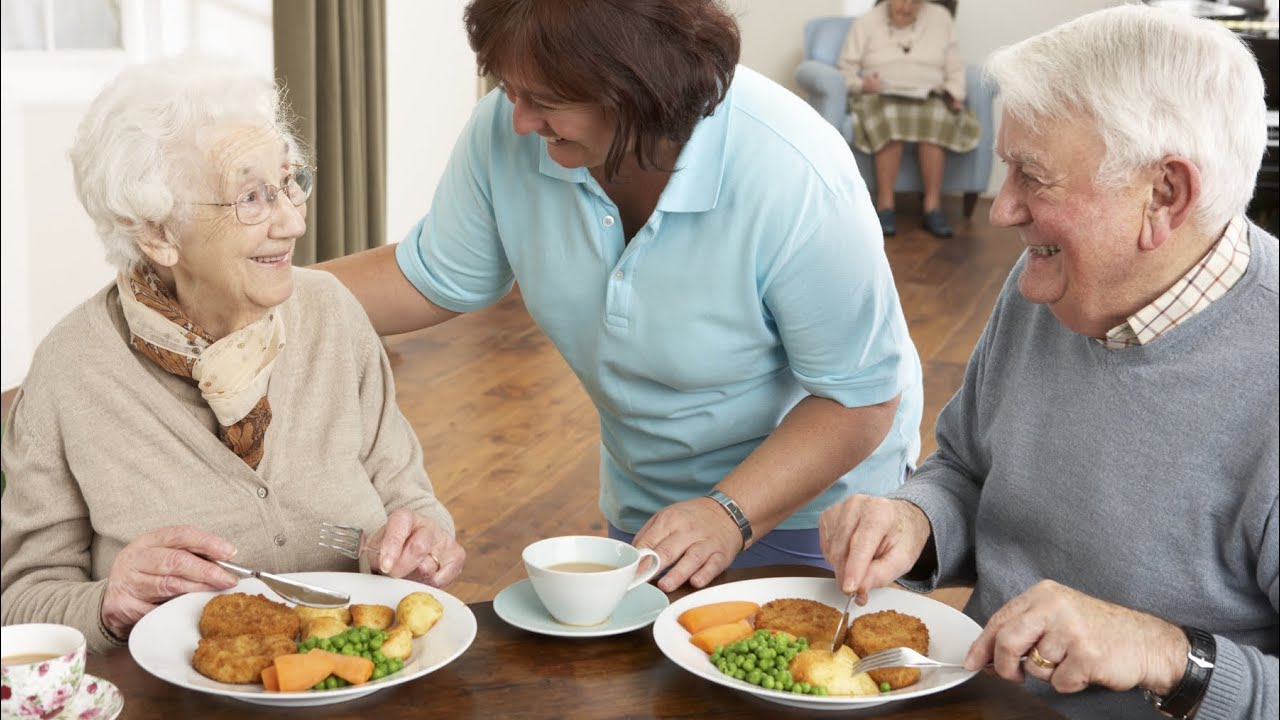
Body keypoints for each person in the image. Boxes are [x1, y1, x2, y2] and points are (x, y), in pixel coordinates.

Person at [320, 0, 923, 594]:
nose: (520, 121)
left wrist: (728, 513)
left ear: (638, 90)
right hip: (653, 501)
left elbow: (860, 398)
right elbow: (430, 276)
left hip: (817, 507)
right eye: (508, 89)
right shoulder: (510, 134)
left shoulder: (793, 171)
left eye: (547, 102)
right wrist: (260, 291)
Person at [819, 6, 1277, 719]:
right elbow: (967, 466)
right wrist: (917, 521)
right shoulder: (1052, 280)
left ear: (1164, 194)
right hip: (976, 696)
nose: (1002, 210)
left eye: (1032, 177)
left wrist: (1165, 654)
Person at [0, 57, 464, 654]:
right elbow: (20, 602)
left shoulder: (331, 313)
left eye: (291, 182)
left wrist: (422, 542)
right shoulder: (70, 371)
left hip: (357, 679)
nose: (293, 220)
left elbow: (410, 498)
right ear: (156, 233)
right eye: (251, 197)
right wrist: (108, 602)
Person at [837, 0, 981, 238]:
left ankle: (932, 207)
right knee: (890, 117)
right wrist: (863, 84)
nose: (906, 7)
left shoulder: (941, 19)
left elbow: (955, 66)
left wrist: (955, 93)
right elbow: (845, 69)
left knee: (936, 117)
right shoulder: (867, 21)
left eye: (914, 2)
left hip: (928, 93)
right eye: (901, 1)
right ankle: (885, 206)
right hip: (879, 94)